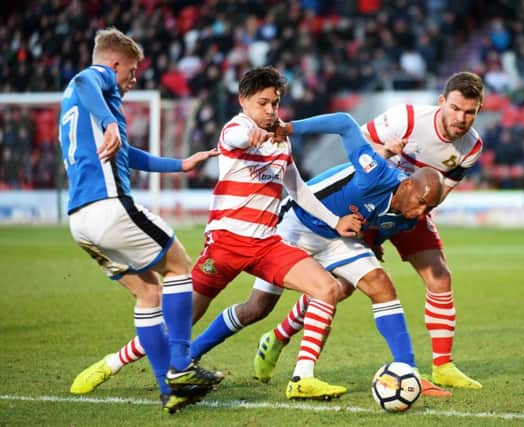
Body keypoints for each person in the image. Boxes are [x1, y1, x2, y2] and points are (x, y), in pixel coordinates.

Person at [71, 111, 449, 400]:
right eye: (418, 203)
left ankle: (399, 370)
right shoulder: (375, 173)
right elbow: (345, 124)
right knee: (251, 309)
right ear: (408, 185)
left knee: (374, 287)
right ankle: (146, 357)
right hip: (295, 226)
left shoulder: (409, 215)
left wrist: (369, 237)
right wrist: (291, 128)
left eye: (426, 210)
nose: (419, 214)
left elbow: (378, 224)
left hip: (335, 235)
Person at [69, 66, 362, 400]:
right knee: (177, 323)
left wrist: (335, 221)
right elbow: (235, 138)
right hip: (226, 244)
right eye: (262, 103)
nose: (269, 111)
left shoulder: (282, 142)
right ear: (243, 101)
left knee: (326, 288)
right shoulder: (236, 127)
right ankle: (110, 363)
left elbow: (297, 189)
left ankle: (302, 378)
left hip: (267, 243)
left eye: (275, 104)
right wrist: (250, 134)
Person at [255, 72, 485, 390]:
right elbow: (360, 147)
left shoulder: (472, 147)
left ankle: (442, 366)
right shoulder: (406, 118)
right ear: (442, 102)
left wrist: (412, 215)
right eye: (457, 108)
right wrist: (389, 151)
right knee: (341, 287)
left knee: (440, 275)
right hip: (374, 200)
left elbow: (442, 191)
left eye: (470, 112)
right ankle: (279, 336)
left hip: (412, 209)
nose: (462, 118)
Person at [59, 27, 223, 414]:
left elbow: (127, 155)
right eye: (131, 72)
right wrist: (111, 120)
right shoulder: (95, 81)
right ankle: (181, 366)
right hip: (110, 206)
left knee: (148, 294)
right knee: (181, 265)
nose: (133, 80)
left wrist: (180, 165)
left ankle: (170, 388)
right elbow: (85, 77)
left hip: (80, 222)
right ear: (114, 63)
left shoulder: (76, 104)